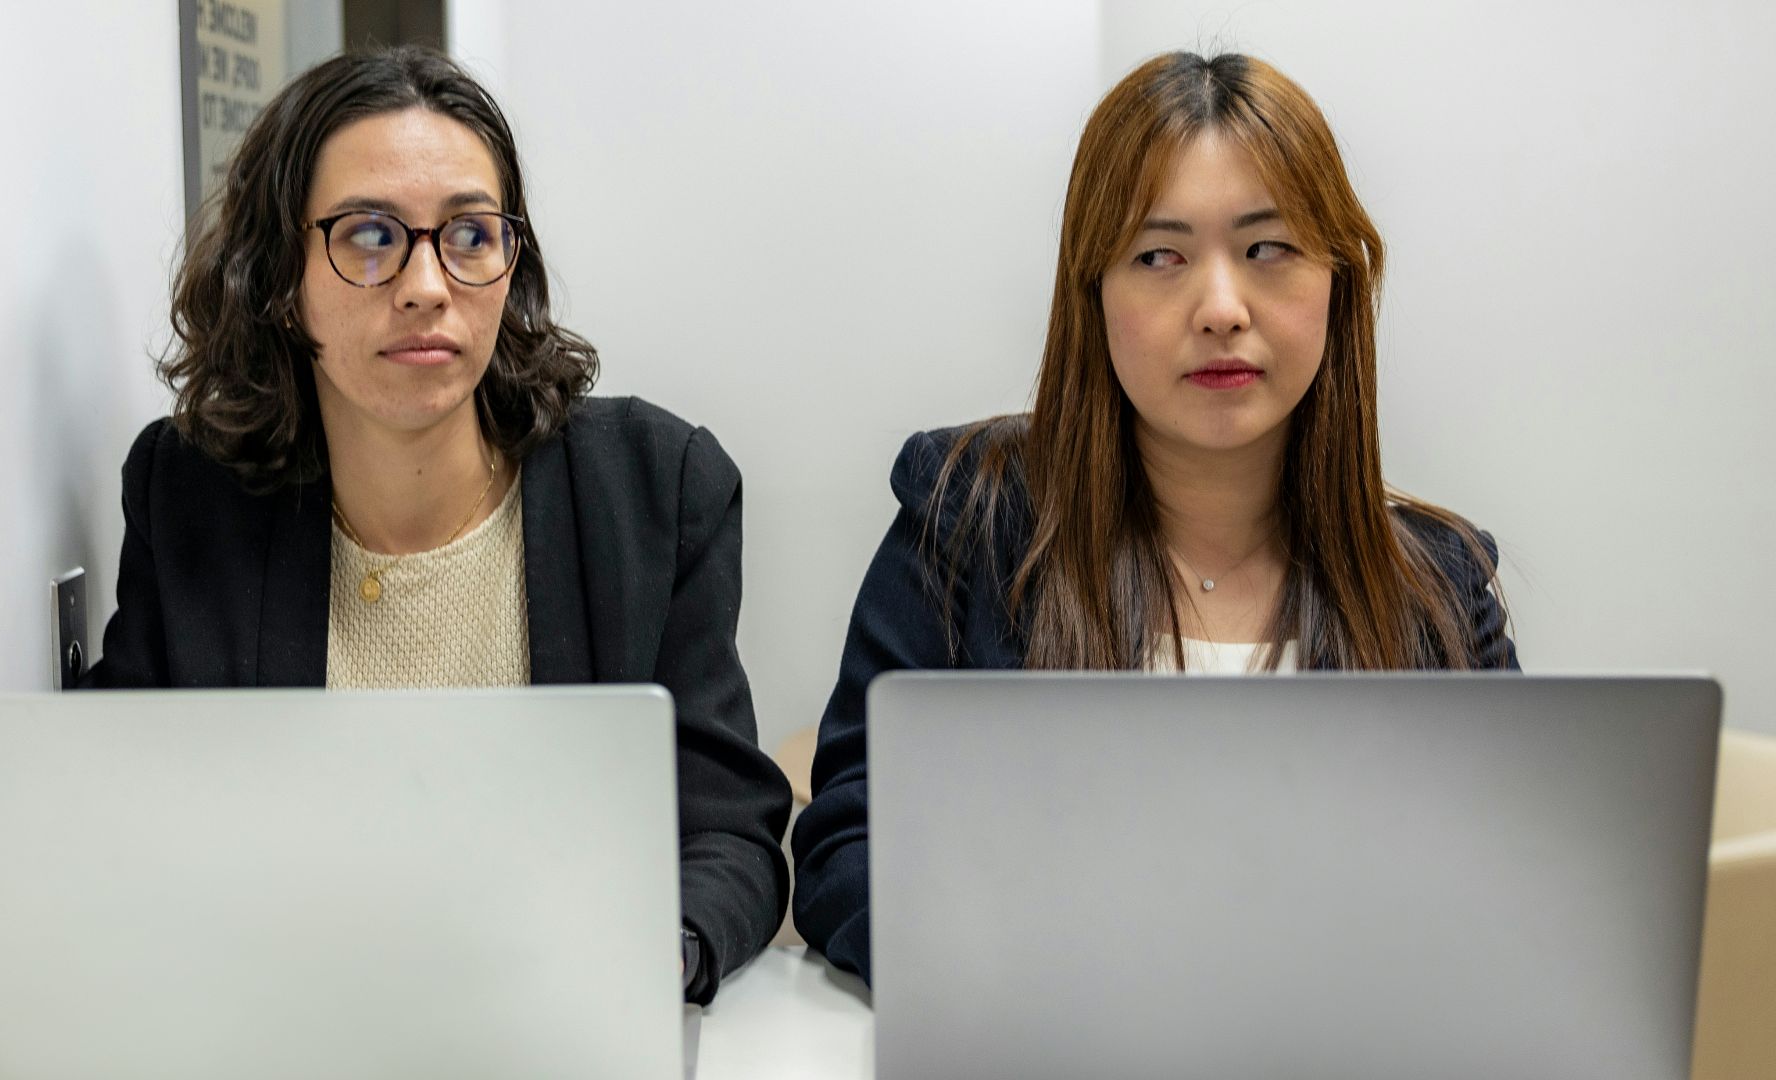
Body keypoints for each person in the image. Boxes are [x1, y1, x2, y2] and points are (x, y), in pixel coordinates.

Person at [791, 51, 1519, 985]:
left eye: (1269, 248)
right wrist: (1026, 976)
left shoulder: (1439, 586)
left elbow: (1509, 890)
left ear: (1338, 282)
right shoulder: (969, 514)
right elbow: (851, 840)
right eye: (1159, 256)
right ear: (1092, 292)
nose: (1220, 308)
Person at [81, 46, 790, 1004]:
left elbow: (727, 829)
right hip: (281, 1026)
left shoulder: (655, 489)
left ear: (510, 262)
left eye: (468, 235)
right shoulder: (189, 496)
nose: (426, 284)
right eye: (370, 236)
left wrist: (655, 952)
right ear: (281, 280)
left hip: (558, 1029)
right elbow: (113, 817)